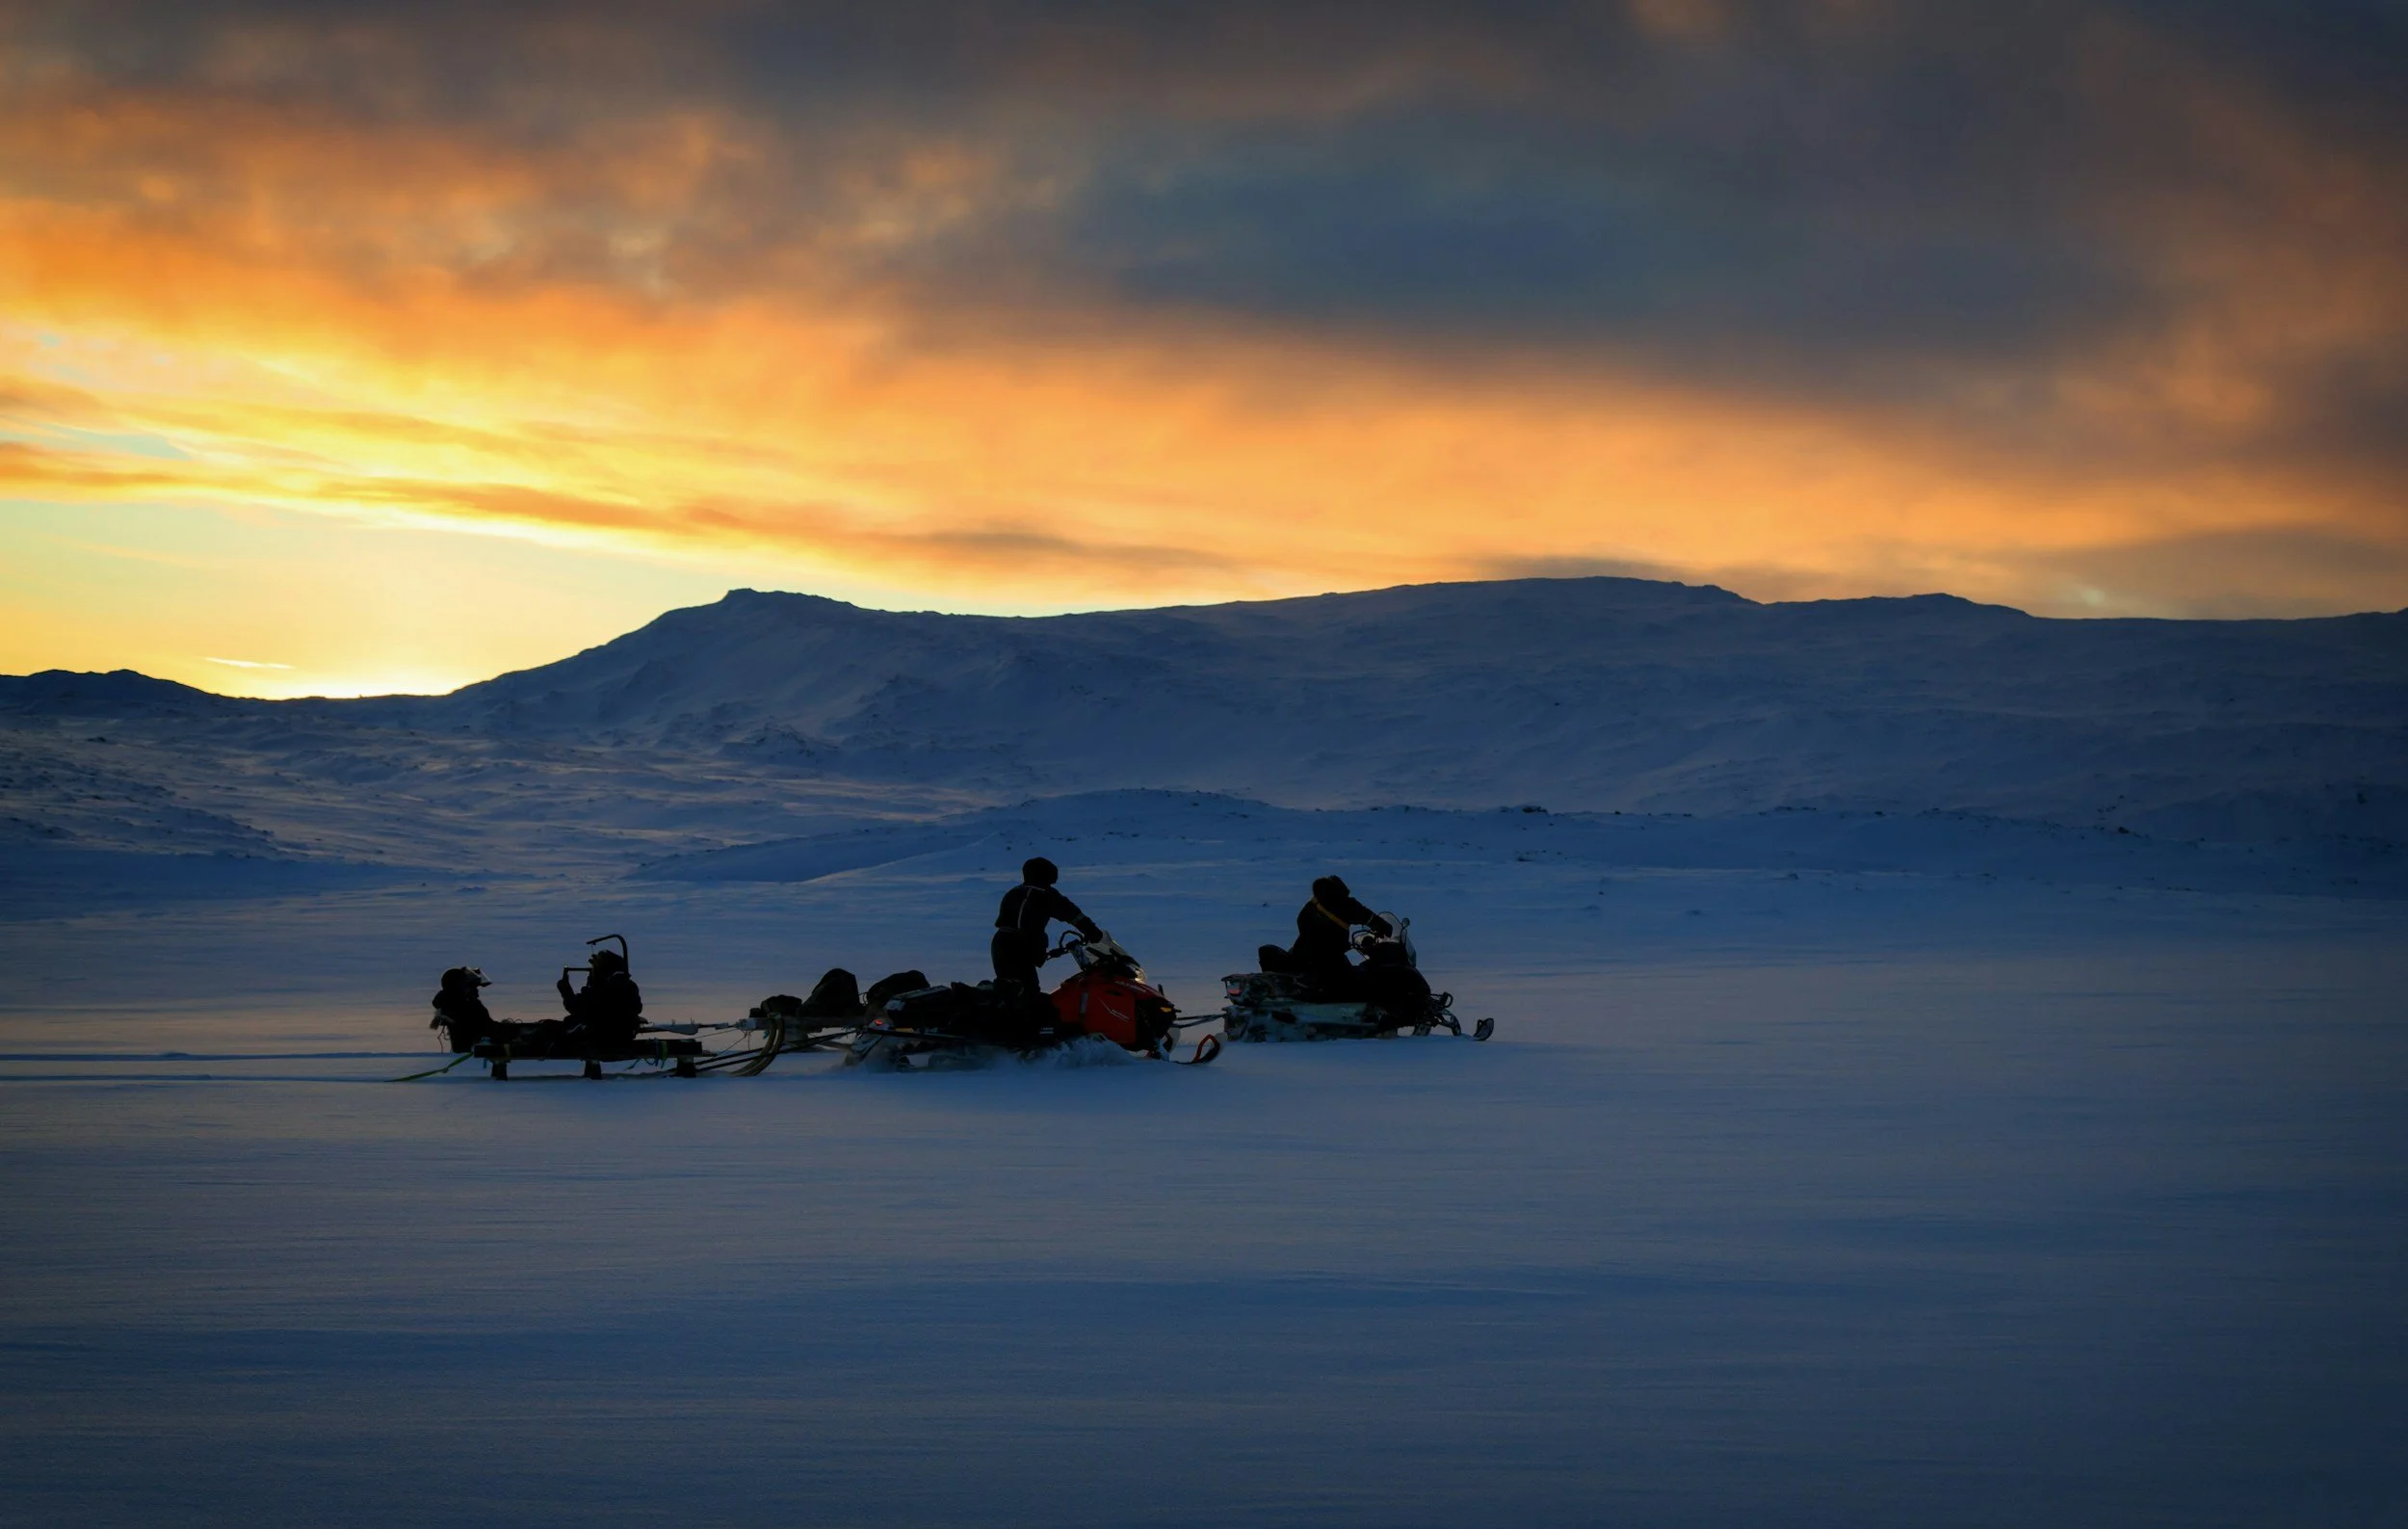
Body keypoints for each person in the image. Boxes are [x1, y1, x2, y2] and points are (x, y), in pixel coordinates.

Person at [992, 857, 1102, 994]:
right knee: (1028, 992)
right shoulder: (1044, 894)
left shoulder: (1015, 892)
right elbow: (1071, 913)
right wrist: (1092, 931)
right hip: (1019, 947)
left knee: (1011, 988)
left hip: (1001, 944)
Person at [1275, 874, 1393, 992]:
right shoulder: (1342, 902)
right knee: (1353, 984)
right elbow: (1365, 915)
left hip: (1303, 952)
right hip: (1329, 959)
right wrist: (1384, 926)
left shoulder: (1314, 903)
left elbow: (1301, 921)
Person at [558, 945, 644, 1050]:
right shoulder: (630, 986)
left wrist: (566, 990)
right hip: (625, 1039)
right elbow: (637, 1008)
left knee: (567, 1026)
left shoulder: (600, 989)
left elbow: (576, 1007)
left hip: (600, 1042)